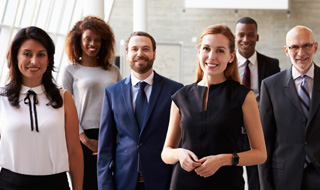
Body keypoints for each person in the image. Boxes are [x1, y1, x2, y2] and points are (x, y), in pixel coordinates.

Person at [161, 24, 267, 190]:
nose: (211, 56)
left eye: (220, 50)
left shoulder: (244, 96)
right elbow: (166, 153)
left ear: (231, 57)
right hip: (183, 183)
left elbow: (260, 154)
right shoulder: (181, 96)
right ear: (199, 52)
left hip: (227, 183)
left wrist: (224, 159)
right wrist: (179, 154)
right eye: (206, 49)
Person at [258, 25, 320, 190]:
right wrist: (266, 186)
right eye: (294, 47)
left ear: (315, 47)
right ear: (287, 50)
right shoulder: (270, 86)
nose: (301, 53)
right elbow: (265, 141)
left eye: (306, 45)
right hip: (283, 178)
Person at [0, 26, 83, 189]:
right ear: (16, 57)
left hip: (55, 184)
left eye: (41, 54)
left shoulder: (64, 98)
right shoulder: (1, 99)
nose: (34, 61)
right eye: (27, 54)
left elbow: (74, 151)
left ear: (49, 59)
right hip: (9, 184)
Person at [97, 31, 183, 190]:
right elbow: (105, 150)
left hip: (162, 181)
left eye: (145, 49)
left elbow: (181, 142)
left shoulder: (175, 91)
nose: (140, 53)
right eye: (134, 49)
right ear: (127, 53)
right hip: (123, 182)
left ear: (154, 54)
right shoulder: (112, 93)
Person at [58, 16, 121, 190]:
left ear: (104, 42)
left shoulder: (113, 70)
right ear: (79, 41)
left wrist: (113, 139)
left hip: (110, 135)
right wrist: (85, 139)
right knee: (85, 185)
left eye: (97, 40)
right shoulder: (70, 70)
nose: (93, 43)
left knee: (109, 184)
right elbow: (65, 108)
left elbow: (121, 105)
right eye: (88, 39)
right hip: (81, 137)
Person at [235, 16, 280, 190]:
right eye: (241, 35)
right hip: (232, 132)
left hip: (259, 132)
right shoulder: (227, 64)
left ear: (257, 37)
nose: (246, 39)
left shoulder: (271, 64)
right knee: (232, 179)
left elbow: (276, 99)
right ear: (235, 37)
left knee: (257, 180)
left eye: (250, 35)